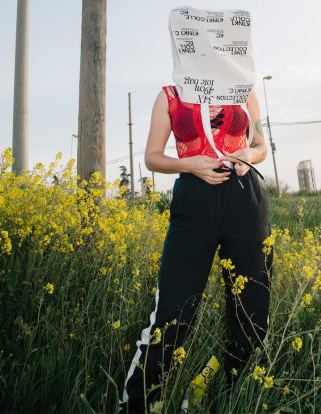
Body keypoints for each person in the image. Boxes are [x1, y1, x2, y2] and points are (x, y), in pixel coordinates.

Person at [119, 84, 273, 413]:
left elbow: (261, 146)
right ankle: (140, 404)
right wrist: (191, 165)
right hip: (194, 197)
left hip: (245, 198)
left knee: (252, 307)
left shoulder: (244, 88)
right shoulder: (170, 94)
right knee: (174, 310)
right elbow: (152, 157)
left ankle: (236, 397)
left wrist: (248, 155)